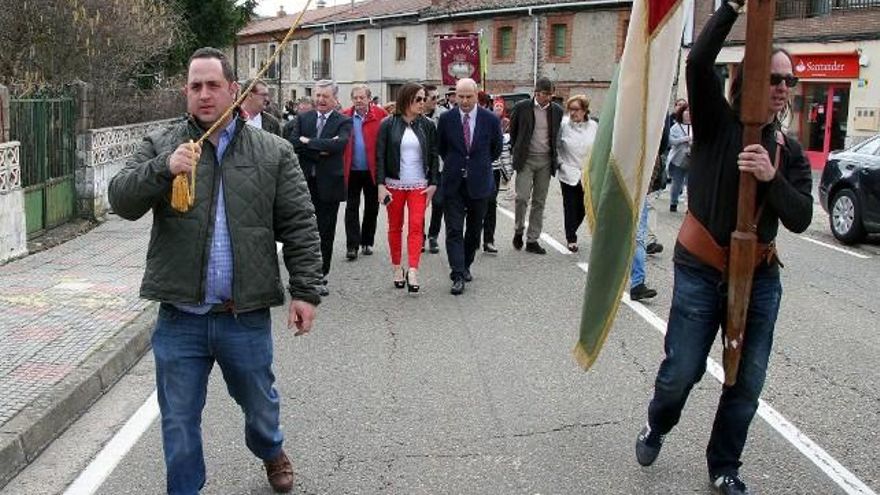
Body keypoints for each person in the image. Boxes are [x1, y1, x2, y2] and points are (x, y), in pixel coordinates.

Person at [108, 47, 322, 494]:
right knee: (179, 423)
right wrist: (162, 170)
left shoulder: (274, 152)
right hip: (180, 318)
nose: (204, 94)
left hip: (242, 316)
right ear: (186, 92)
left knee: (260, 408)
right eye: (195, 86)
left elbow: (300, 225)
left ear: (233, 89)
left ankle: (270, 449)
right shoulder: (164, 145)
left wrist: (305, 291)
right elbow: (121, 199)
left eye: (213, 85)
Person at [634, 2, 813, 494]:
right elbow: (696, 63)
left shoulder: (788, 152)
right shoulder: (715, 122)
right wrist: (733, 6)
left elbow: (800, 217)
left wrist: (770, 177)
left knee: (746, 382)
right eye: (771, 76)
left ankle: (724, 465)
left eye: (788, 81)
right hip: (702, 266)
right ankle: (658, 425)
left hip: (759, 277)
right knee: (682, 371)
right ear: (747, 77)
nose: (780, 87)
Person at [437, 78, 503, 295]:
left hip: (479, 182)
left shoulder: (491, 120)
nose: (464, 101)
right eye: (460, 96)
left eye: (469, 96)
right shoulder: (446, 119)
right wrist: (458, 164)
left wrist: (476, 165)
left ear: (477, 95)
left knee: (474, 230)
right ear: (455, 96)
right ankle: (457, 273)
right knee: (454, 229)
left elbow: (495, 149)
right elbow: (442, 148)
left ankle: (466, 264)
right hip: (453, 182)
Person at [290, 80, 352, 297]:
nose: (320, 100)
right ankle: (300, 276)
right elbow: (294, 144)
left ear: (335, 99)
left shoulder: (343, 121)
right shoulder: (303, 118)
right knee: (301, 231)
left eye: (325, 96)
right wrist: (321, 147)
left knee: (325, 231)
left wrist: (310, 143)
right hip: (303, 184)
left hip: (329, 185)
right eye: (317, 96)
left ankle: (320, 275)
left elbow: (339, 145)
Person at [375, 83, 439, 292]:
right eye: (418, 99)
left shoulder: (428, 125)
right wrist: (381, 185)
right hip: (394, 184)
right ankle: (396, 267)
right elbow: (380, 157)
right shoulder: (387, 124)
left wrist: (434, 183)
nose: (423, 103)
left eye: (424, 99)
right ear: (406, 99)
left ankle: (413, 270)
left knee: (416, 226)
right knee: (395, 227)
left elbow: (433, 155)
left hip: (419, 185)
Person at [508, 76, 564, 254]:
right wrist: (516, 152)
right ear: (536, 93)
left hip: (546, 160)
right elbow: (514, 132)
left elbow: (556, 134)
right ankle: (518, 230)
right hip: (526, 159)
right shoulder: (521, 107)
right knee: (522, 198)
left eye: (550, 94)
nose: (547, 98)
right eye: (544, 94)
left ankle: (532, 239)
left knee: (539, 201)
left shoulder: (556, 110)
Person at [342, 84, 388, 260]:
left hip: (372, 170)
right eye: (355, 98)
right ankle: (352, 245)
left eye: (362, 97)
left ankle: (367, 241)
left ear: (369, 98)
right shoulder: (345, 116)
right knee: (351, 207)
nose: (359, 101)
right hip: (351, 170)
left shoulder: (380, 115)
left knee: (372, 207)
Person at [555, 94, 597, 253]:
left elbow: (599, 148)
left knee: (583, 207)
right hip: (569, 171)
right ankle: (571, 238)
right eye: (570, 110)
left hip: (587, 173)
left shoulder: (594, 126)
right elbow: (557, 146)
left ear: (585, 110)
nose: (573, 113)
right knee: (570, 205)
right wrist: (560, 163)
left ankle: (572, 227)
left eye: (576, 110)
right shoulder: (564, 126)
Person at [482, 97, 513, 254]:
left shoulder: (496, 125)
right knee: (475, 205)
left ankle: (488, 240)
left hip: (493, 170)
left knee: (490, 204)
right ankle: (472, 237)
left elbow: (503, 150)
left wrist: (508, 172)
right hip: (474, 171)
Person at [423, 84, 447, 254]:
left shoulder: (444, 115)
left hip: (439, 166)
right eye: (433, 98)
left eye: (437, 98)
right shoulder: (414, 115)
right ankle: (419, 236)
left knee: (439, 203)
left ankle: (433, 236)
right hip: (419, 168)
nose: (436, 101)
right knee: (419, 206)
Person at [666, 102, 692, 212]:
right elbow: (671, 141)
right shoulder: (676, 127)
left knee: (691, 184)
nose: (688, 114)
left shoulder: (696, 127)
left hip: (693, 160)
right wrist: (685, 139)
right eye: (686, 111)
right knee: (677, 183)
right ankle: (673, 202)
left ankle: (690, 207)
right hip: (678, 160)